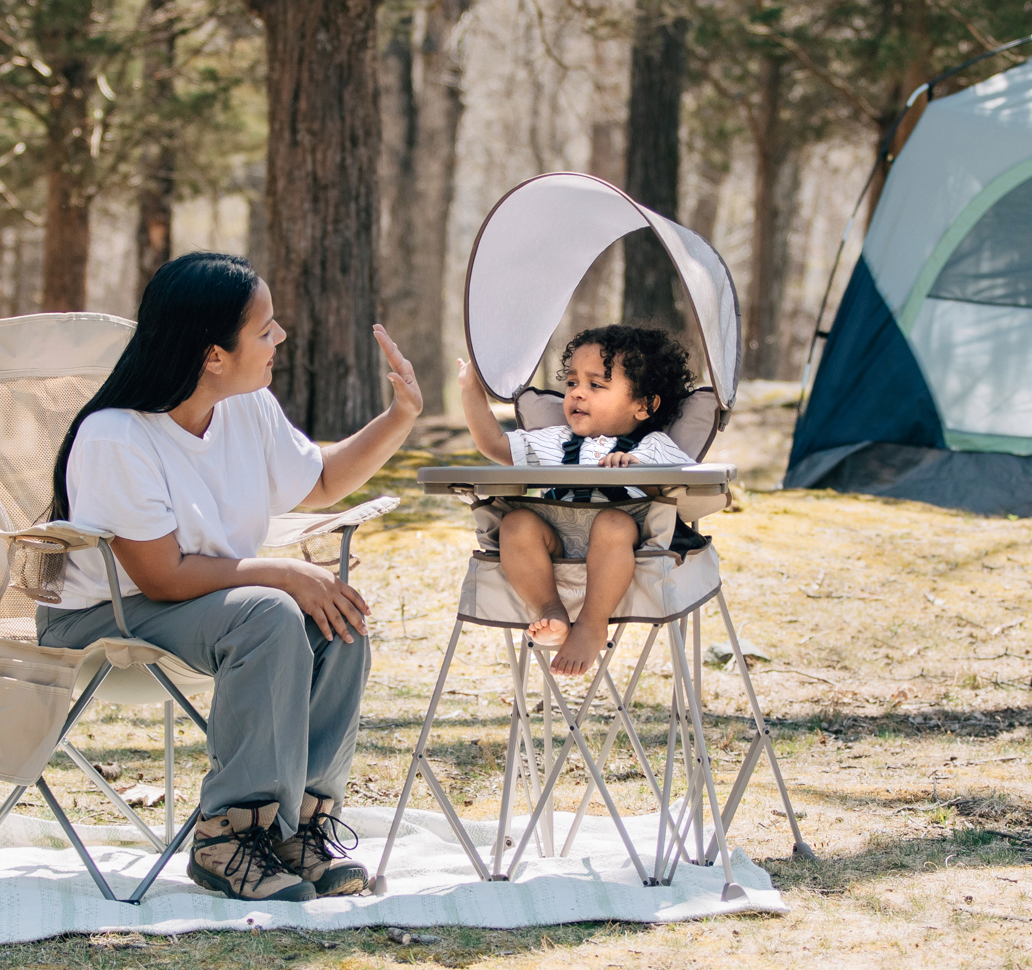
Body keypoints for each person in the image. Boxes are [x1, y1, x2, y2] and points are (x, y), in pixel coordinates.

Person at [37, 252, 422, 905]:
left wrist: (401, 418)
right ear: (213, 354)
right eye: (265, 328)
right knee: (273, 612)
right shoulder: (116, 438)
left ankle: (301, 827)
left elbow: (322, 481)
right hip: (106, 619)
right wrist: (283, 572)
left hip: (208, 610)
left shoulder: (248, 408)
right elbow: (158, 576)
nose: (281, 338)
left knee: (337, 619)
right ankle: (227, 837)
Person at [457, 325, 697, 677]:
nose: (577, 394)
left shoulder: (653, 447)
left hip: (619, 552)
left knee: (614, 522)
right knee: (515, 523)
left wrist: (642, 474)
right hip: (555, 549)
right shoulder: (554, 440)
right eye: (572, 383)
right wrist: (469, 390)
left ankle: (591, 624)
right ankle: (550, 608)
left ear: (644, 405)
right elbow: (495, 445)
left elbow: (690, 490)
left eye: (596, 385)